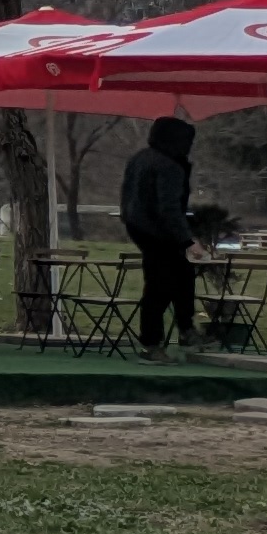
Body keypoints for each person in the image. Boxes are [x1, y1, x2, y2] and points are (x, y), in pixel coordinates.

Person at [119, 113, 201, 357]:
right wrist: (187, 240)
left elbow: (128, 196)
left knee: (179, 276)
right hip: (159, 231)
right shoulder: (170, 166)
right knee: (161, 285)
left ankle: (184, 328)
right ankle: (155, 341)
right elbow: (169, 207)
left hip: (138, 226)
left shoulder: (139, 159)